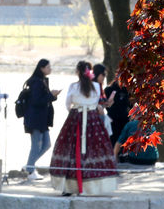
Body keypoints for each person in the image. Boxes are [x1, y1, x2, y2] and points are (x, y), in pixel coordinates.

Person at [50, 61, 117, 196]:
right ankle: (90, 187)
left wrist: (76, 110)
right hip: (92, 120)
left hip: (75, 119)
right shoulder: (96, 87)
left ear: (77, 72)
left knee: (72, 151)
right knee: (93, 150)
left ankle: (69, 187)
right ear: (90, 72)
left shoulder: (74, 86)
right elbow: (98, 104)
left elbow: (68, 104)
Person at [23, 59, 60, 181]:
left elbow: (44, 99)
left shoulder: (43, 80)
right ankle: (30, 170)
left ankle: (29, 165)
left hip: (42, 119)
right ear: (41, 68)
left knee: (46, 144)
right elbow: (36, 101)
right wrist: (51, 95)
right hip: (35, 119)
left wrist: (52, 96)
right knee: (36, 145)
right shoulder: (36, 82)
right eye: (48, 67)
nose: (50, 69)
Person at [104, 79, 130, 146]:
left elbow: (131, 105)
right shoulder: (109, 90)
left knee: (123, 143)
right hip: (112, 120)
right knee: (112, 142)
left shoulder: (127, 90)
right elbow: (105, 105)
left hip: (124, 120)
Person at [92, 64, 114, 137]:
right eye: (103, 74)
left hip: (100, 118)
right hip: (92, 120)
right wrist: (98, 106)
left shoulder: (100, 86)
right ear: (97, 73)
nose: (104, 77)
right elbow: (89, 102)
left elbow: (101, 105)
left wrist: (107, 104)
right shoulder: (92, 86)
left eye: (105, 75)